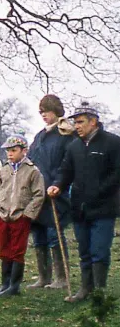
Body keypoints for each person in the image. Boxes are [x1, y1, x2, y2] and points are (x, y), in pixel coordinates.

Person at [48, 102, 120, 302]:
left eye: (80, 122)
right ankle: (85, 289)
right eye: (75, 122)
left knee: (99, 250)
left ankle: (99, 291)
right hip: (79, 209)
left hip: (104, 208)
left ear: (93, 122)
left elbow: (117, 173)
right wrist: (57, 185)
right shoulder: (74, 146)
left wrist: (100, 191)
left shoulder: (113, 143)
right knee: (84, 250)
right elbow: (65, 171)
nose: (76, 126)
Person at [27, 94, 75, 289]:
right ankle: (43, 277)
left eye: (47, 111)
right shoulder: (39, 136)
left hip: (56, 193)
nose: (44, 115)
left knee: (54, 234)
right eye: (41, 112)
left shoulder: (66, 135)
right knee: (38, 235)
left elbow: (68, 164)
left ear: (56, 111)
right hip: (37, 195)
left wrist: (58, 185)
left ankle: (62, 278)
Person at [0, 135, 45, 297]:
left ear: (24, 151)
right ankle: (4, 284)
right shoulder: (2, 171)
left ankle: (15, 285)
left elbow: (38, 195)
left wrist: (27, 214)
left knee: (17, 250)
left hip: (20, 217)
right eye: (8, 151)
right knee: (4, 249)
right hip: (3, 216)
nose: (10, 154)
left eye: (13, 150)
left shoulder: (32, 171)